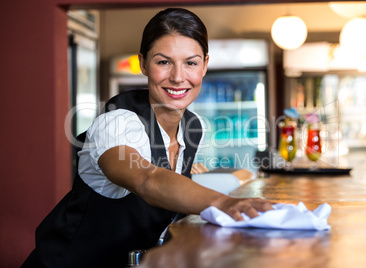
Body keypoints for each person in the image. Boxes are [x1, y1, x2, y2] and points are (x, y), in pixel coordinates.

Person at [22, 7, 274, 268]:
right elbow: (147, 179)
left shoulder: (192, 126)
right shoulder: (117, 122)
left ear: (205, 65)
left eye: (191, 62)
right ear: (143, 63)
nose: (178, 77)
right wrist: (225, 203)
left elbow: (172, 189)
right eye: (163, 62)